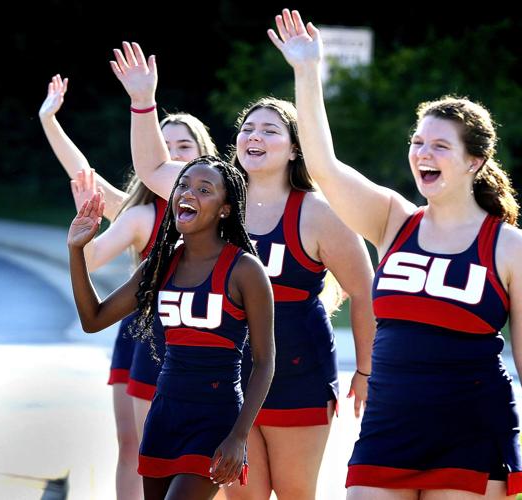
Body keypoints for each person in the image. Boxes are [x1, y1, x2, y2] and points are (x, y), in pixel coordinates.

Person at [269, 8, 522, 498]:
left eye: (439, 146)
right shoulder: (392, 219)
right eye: (417, 142)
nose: (422, 154)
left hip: (471, 431)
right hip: (388, 431)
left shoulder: (513, 248)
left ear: (475, 161)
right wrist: (307, 71)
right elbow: (323, 167)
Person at [111, 42, 377, 499]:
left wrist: (367, 371)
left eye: (270, 130)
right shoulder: (219, 196)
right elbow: (153, 167)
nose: (255, 136)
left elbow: (364, 290)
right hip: (229, 381)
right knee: (242, 495)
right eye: (248, 128)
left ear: (295, 148)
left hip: (298, 373)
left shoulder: (318, 212)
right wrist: (142, 102)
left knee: (294, 492)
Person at [39, 73, 217, 499]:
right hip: (142, 337)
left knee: (203, 457)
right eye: (164, 145)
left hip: (203, 341)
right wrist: (49, 119)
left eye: (183, 148)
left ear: (203, 156)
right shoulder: (136, 210)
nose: (171, 155)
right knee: (135, 449)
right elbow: (84, 176)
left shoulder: (225, 215)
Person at [69, 155, 275, 500]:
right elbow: (94, 319)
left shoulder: (245, 270)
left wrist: (239, 436)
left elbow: (265, 361)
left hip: (215, 418)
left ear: (225, 209)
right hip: (164, 415)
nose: (187, 193)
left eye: (203, 189)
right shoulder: (160, 264)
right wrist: (77, 250)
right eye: (182, 185)